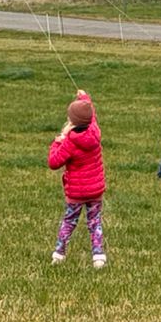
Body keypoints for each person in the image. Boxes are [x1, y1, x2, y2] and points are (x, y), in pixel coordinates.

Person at [48, 90, 107, 269]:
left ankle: (59, 254)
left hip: (76, 193)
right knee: (95, 221)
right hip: (96, 190)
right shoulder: (94, 131)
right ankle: (98, 257)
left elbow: (53, 162)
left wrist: (57, 142)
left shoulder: (69, 142)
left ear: (72, 121)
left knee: (69, 221)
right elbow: (92, 113)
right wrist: (85, 98)